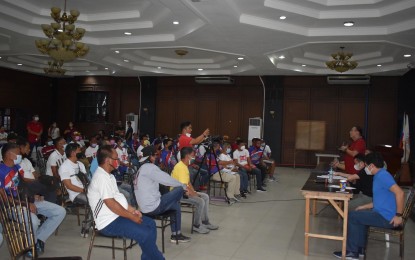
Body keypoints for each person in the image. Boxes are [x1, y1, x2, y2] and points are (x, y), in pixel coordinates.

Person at [87, 145, 164, 260]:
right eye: (116, 159)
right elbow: (111, 204)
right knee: (144, 234)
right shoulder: (101, 177)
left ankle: (148, 257)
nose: (118, 161)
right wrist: (131, 217)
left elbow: (117, 199)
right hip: (108, 222)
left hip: (117, 216)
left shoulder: (109, 176)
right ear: (108, 160)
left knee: (150, 224)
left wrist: (132, 210)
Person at [332, 152, 405, 259]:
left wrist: (398, 215)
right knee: (358, 214)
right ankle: (360, 249)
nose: (365, 168)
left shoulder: (383, 176)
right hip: (380, 213)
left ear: (371, 166)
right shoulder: (379, 175)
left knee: (352, 217)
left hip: (387, 218)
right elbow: (379, 200)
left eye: (366, 166)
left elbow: (400, 193)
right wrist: (363, 207)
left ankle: (351, 252)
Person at [0, 143, 66, 256]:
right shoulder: (1, 172)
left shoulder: (16, 167)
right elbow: (4, 198)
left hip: (26, 200)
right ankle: (31, 247)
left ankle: (38, 240)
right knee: (34, 221)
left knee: (60, 212)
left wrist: (33, 196)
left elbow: (22, 186)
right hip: (12, 206)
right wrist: (26, 203)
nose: (20, 155)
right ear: (10, 155)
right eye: (17, 153)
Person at [134, 146, 191, 243]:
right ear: (151, 157)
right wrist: (184, 186)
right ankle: (176, 235)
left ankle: (176, 235)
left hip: (143, 208)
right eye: (155, 155)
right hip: (153, 207)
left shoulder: (141, 169)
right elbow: (167, 180)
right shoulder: (151, 168)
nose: (156, 157)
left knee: (175, 205)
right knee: (179, 188)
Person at [172, 147, 219, 234]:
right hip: (177, 194)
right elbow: (184, 187)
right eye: (193, 156)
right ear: (187, 156)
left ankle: (205, 221)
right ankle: (196, 225)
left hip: (183, 190)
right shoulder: (181, 167)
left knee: (205, 196)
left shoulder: (184, 166)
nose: (194, 158)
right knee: (200, 201)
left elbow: (188, 182)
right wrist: (194, 194)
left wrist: (194, 192)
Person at [58, 143, 90, 237]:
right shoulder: (64, 167)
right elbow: (69, 186)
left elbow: (85, 180)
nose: (81, 152)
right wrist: (85, 191)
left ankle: (95, 223)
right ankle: (86, 227)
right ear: (72, 153)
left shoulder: (80, 164)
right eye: (79, 151)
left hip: (85, 190)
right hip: (75, 194)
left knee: (101, 198)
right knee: (94, 200)